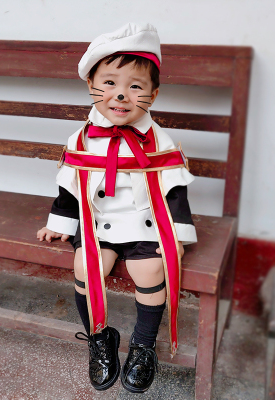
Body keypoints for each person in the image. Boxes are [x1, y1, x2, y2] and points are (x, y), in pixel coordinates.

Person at [37, 22, 197, 393]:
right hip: (98, 221)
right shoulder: (82, 138)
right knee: (87, 265)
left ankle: (143, 345)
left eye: (135, 87)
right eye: (109, 83)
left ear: (153, 94)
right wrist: (60, 223)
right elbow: (70, 187)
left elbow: (175, 191)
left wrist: (177, 236)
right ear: (90, 85)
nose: (121, 95)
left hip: (146, 222)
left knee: (150, 268)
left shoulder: (159, 140)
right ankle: (99, 337)